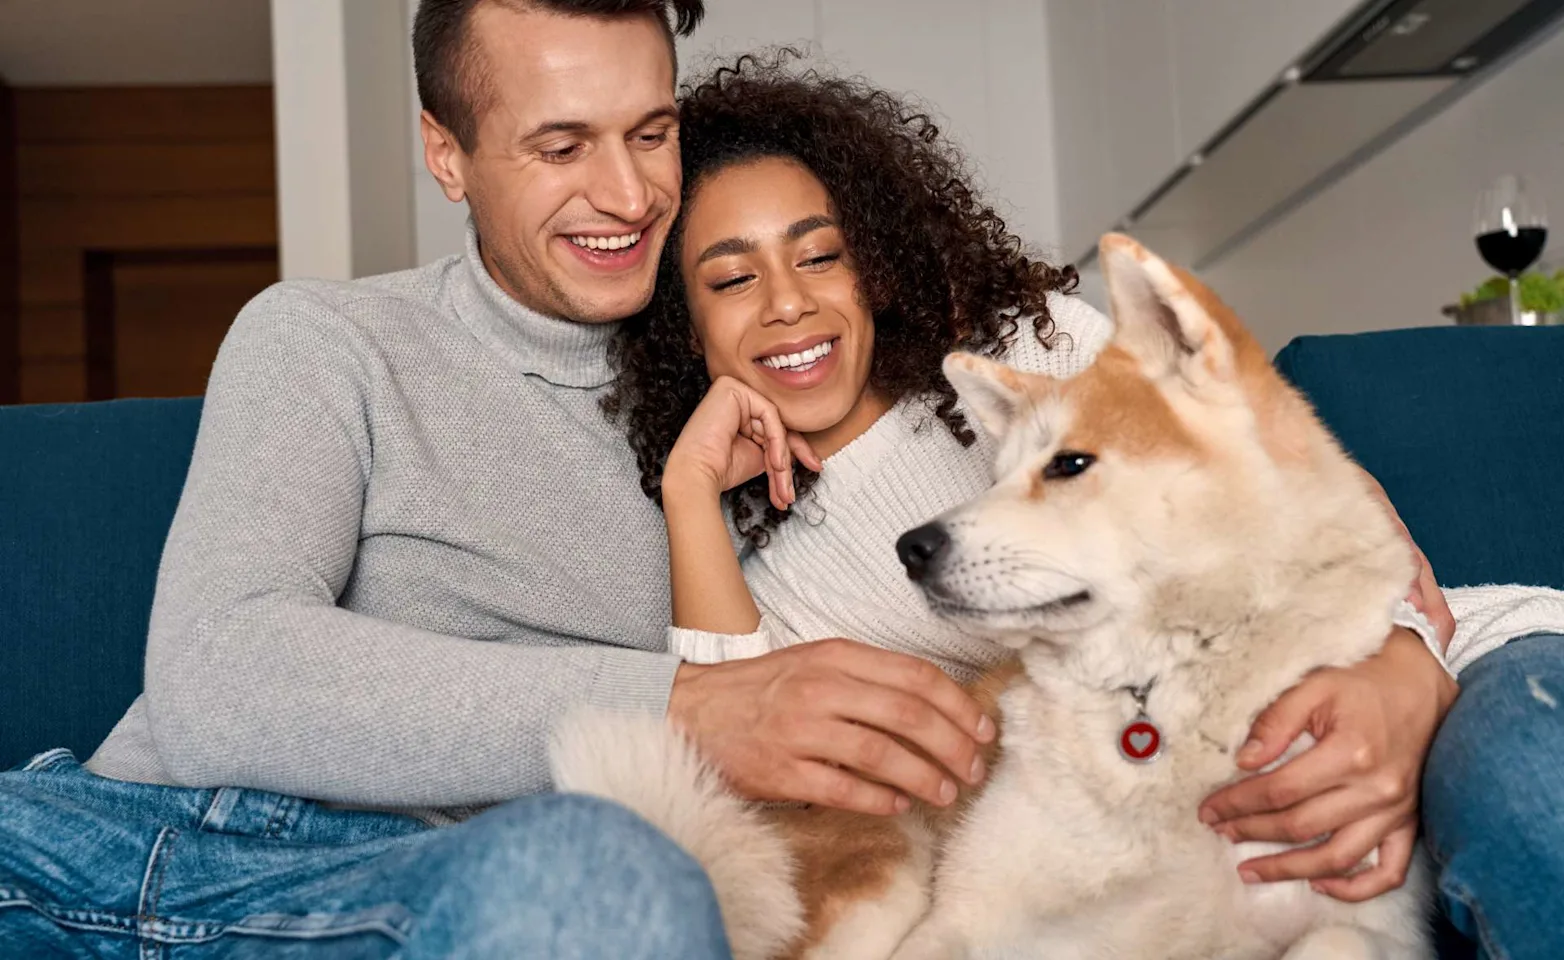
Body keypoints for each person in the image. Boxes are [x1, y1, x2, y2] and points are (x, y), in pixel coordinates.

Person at [0, 2, 984, 955]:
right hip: (119, 849)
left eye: (651, 134)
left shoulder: (742, 402)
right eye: (562, 149)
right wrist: (675, 707)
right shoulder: (327, 339)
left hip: (460, 890)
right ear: (446, 154)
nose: (629, 195)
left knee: (606, 878)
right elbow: (216, 674)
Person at [605, 51, 1564, 953]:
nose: (785, 302)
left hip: (1425, 649)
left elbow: (1296, 485)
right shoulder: (774, 573)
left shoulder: (1028, 345)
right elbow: (738, 739)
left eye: (821, 256)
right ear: (687, 327)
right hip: (1150, 768)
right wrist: (689, 496)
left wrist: (1404, 664)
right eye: (731, 278)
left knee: (1530, 789)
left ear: (875, 266)